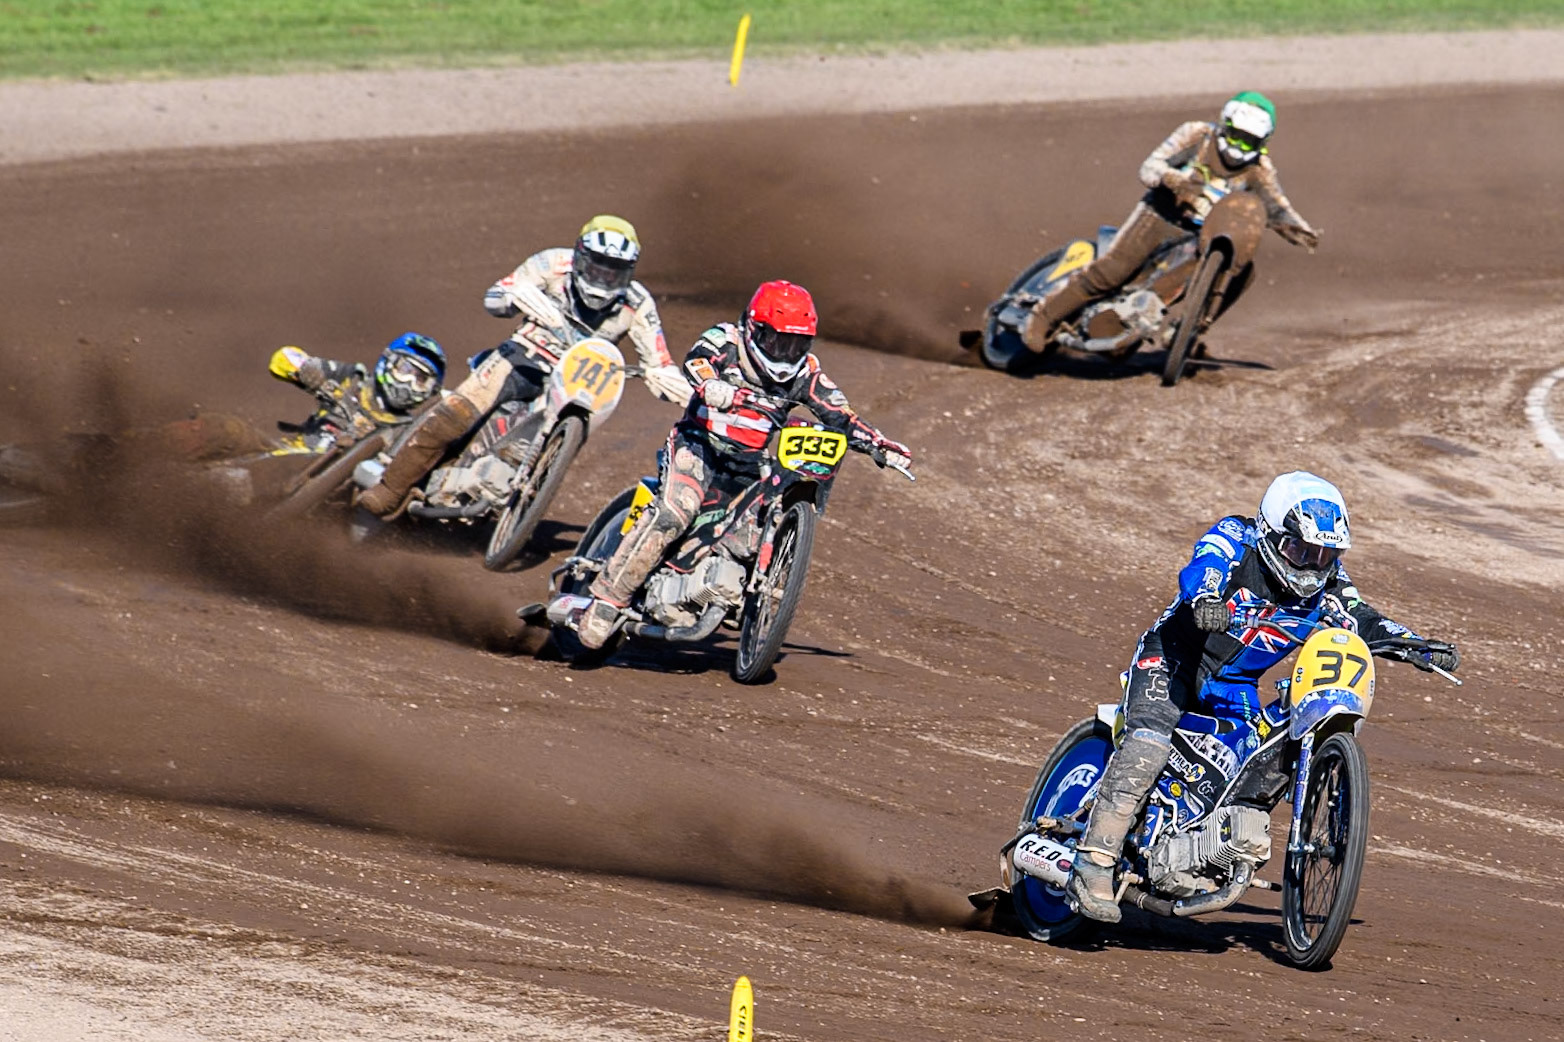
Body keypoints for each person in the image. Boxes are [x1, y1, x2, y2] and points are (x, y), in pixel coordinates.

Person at [1066, 471, 1460, 923]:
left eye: (1326, 554)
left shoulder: (1329, 583)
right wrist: (1207, 598)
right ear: (1272, 535)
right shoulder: (1236, 539)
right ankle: (1092, 861)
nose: (1312, 566)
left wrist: (1416, 646)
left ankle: (1204, 846)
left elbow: (1364, 617)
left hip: (1233, 687)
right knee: (1149, 743)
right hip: (1174, 660)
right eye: (1301, 550)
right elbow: (1203, 567)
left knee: (1257, 757)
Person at [570, 279, 912, 649]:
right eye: (778, 341)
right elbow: (696, 360)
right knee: (676, 511)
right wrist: (711, 385)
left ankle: (728, 589)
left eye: (796, 344)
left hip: (751, 465)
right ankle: (606, 601)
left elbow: (839, 412)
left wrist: (880, 444)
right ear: (754, 328)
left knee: (753, 528)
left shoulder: (806, 372)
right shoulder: (726, 340)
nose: (785, 352)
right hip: (699, 447)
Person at [356, 215, 692, 517]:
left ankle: (508, 493)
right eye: (597, 266)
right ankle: (390, 488)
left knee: (540, 444)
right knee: (455, 415)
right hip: (521, 357)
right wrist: (516, 295)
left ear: (629, 271)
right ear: (580, 257)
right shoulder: (552, 263)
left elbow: (659, 361)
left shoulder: (637, 302)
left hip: (578, 382)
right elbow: (495, 297)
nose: (603, 278)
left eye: (614, 271)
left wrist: (673, 384)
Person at [1024, 91, 1322, 351]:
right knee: (1112, 273)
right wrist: (1172, 179)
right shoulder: (1196, 134)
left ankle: (1185, 330)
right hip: (1160, 215)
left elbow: (1277, 207)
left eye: (1249, 142)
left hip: (1200, 238)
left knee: (1241, 272)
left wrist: (1299, 229)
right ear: (1224, 125)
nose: (1239, 147)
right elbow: (1150, 166)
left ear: (1263, 143)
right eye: (1236, 136)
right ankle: (1042, 317)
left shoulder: (1260, 170)